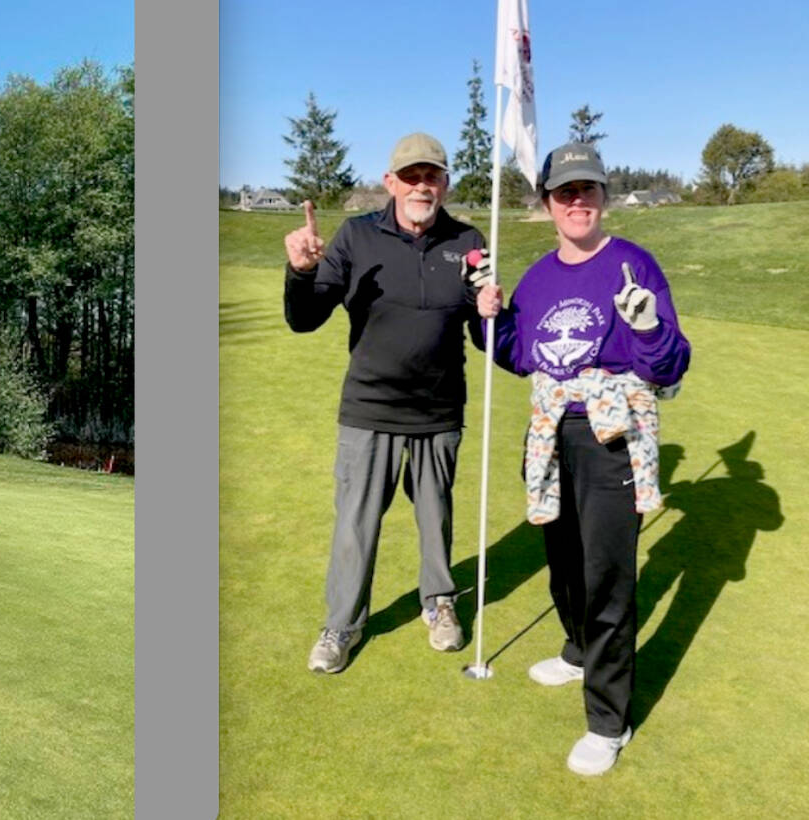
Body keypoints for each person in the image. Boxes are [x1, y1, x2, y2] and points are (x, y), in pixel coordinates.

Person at [473, 142, 691, 775]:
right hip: (550, 431)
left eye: (587, 189)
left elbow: (670, 365)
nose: (577, 201)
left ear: (604, 196)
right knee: (562, 559)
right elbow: (516, 356)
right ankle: (576, 650)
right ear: (547, 203)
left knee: (607, 574)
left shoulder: (633, 265)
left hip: (610, 436)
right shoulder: (540, 277)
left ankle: (608, 719)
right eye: (564, 191)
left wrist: (649, 328)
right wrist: (483, 315)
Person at [283, 133, 490, 673]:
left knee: (435, 516)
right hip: (370, 409)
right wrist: (302, 272)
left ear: (445, 183)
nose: (424, 186)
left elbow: (486, 337)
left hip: (439, 411)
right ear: (391, 182)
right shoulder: (356, 237)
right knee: (355, 524)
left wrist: (494, 309)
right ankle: (342, 625)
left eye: (434, 176)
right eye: (413, 176)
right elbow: (305, 319)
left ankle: (439, 603)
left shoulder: (467, 239)